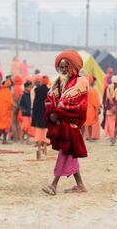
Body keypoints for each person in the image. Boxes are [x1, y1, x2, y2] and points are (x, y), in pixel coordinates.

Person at [42, 49, 88, 196]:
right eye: (61, 67)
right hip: (61, 125)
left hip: (71, 126)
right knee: (70, 155)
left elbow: (78, 105)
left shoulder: (80, 83)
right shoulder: (57, 83)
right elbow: (50, 101)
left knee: (65, 153)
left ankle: (53, 185)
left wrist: (58, 111)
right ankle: (80, 185)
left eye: (66, 66)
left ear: (73, 67)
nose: (63, 69)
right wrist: (52, 114)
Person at [31, 75, 50, 156]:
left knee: (39, 131)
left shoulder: (37, 90)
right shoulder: (49, 91)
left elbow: (34, 103)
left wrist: (34, 115)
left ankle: (39, 149)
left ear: (42, 81)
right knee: (45, 131)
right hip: (46, 113)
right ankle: (45, 149)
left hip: (38, 113)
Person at [102, 75, 117, 140]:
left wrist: (105, 106)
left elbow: (105, 98)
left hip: (109, 107)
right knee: (115, 122)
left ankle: (110, 135)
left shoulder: (108, 87)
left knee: (109, 122)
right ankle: (115, 135)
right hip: (116, 107)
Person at [83, 76, 100, 141]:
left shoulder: (83, 90)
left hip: (84, 107)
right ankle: (89, 137)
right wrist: (97, 108)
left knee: (83, 124)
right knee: (89, 124)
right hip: (90, 108)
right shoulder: (93, 90)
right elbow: (96, 101)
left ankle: (82, 137)